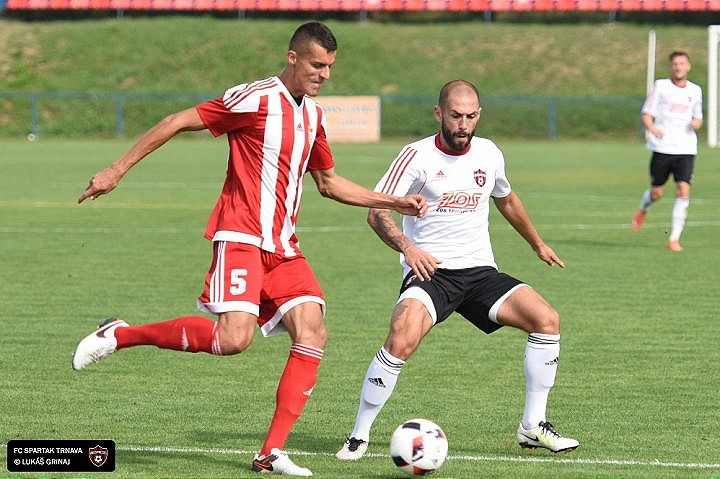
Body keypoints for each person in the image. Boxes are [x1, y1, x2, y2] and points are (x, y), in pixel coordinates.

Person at [72, 22, 426, 477]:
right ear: (293, 58)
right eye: (317, 65)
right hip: (240, 235)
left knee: (313, 331)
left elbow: (329, 183)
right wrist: (116, 169)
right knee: (232, 340)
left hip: (282, 246)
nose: (325, 75)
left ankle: (270, 453)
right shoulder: (254, 98)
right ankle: (119, 335)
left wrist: (393, 201)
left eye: (331, 67)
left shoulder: (314, 116)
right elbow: (178, 121)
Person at [335, 80, 579, 461]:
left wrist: (537, 243)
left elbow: (507, 199)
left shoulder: (489, 153)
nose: (463, 124)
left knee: (546, 319)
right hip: (431, 272)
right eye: (455, 116)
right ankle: (358, 435)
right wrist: (408, 247)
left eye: (470, 116)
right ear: (438, 113)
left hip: (480, 272)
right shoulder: (415, 156)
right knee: (400, 339)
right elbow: (377, 210)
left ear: (478, 114)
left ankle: (533, 426)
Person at [632, 50, 703, 252]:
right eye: (675, 64)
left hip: (686, 148)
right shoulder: (661, 86)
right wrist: (652, 128)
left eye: (682, 63)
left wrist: (697, 122)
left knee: (683, 190)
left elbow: (698, 117)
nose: (679, 67)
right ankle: (643, 209)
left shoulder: (695, 90)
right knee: (657, 193)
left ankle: (674, 238)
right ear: (671, 67)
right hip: (662, 148)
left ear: (688, 66)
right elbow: (646, 113)